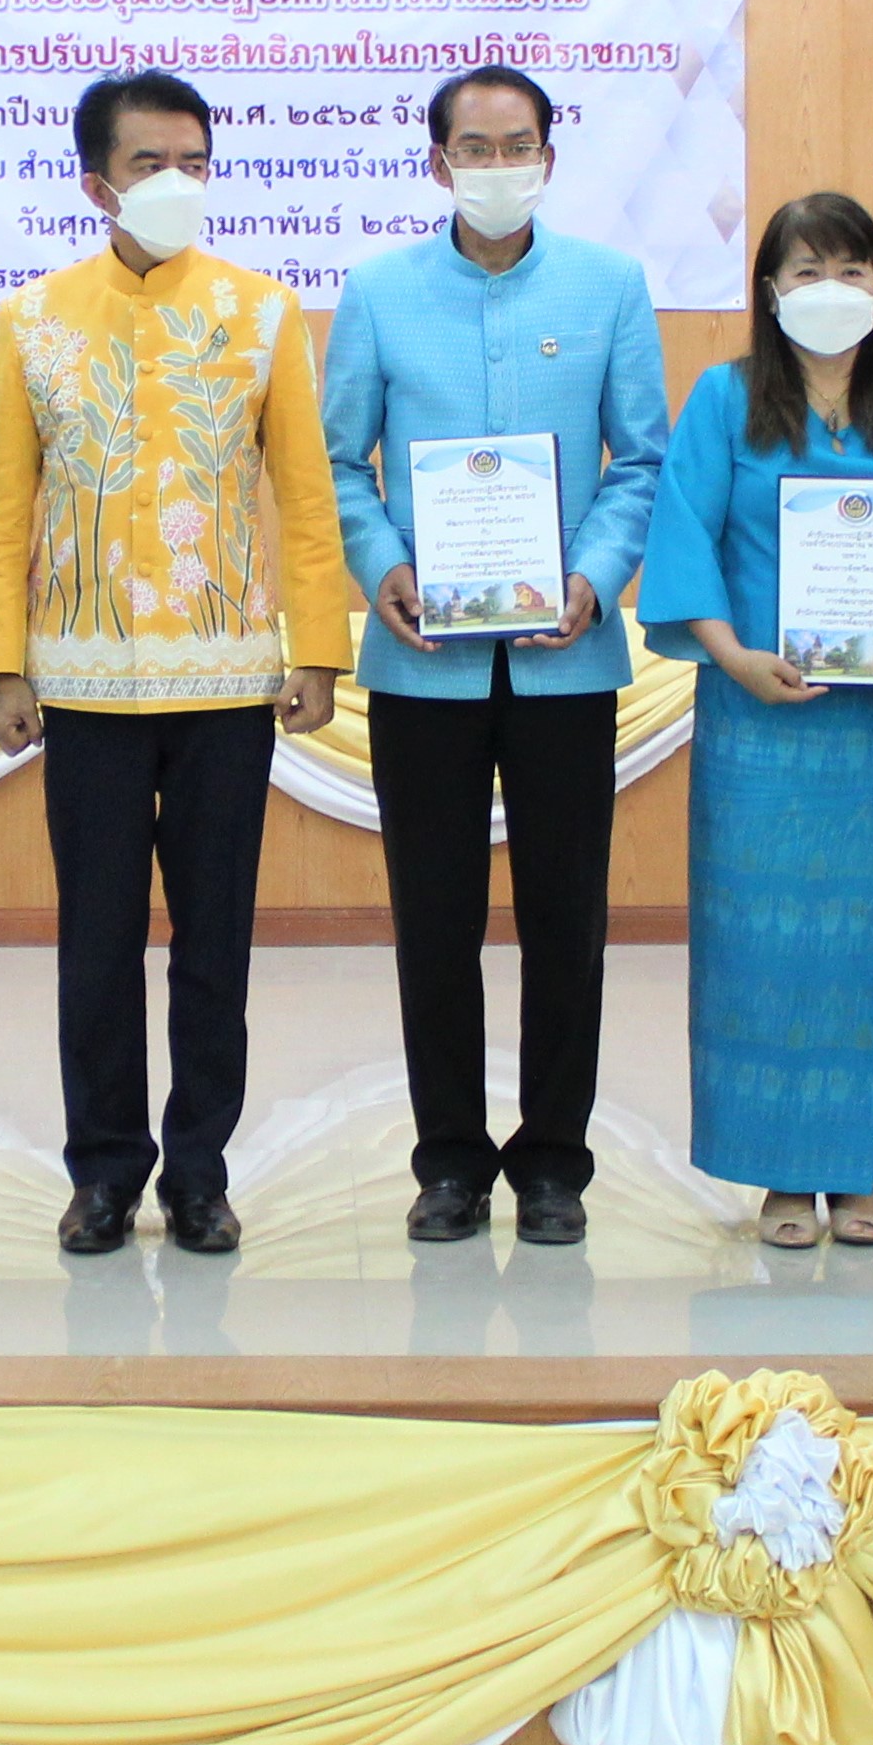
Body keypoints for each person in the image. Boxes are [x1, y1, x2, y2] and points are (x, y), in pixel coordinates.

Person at [0, 67, 354, 1257]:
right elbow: (2, 506)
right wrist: (2, 667)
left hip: (228, 681)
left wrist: (319, 651)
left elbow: (304, 496)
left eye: (194, 158)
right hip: (81, 684)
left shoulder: (263, 312)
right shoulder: (34, 318)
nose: (177, 181)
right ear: (98, 183)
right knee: (95, 945)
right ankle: (102, 1171)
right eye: (150, 163)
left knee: (214, 943)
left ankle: (198, 1171)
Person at [318, 64, 667, 1248]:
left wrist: (596, 574)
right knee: (436, 921)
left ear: (549, 159)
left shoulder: (611, 287)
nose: (499, 165)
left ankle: (556, 1161)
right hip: (424, 664)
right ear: (439, 163)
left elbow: (640, 460)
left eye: (519, 145)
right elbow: (336, 464)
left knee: (567, 920)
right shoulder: (376, 293)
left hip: (567, 660)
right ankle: (452, 1162)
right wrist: (383, 568)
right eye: (476, 147)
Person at [645, 191, 873, 1249]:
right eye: (805, 271)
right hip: (758, 721)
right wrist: (732, 654)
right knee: (759, 943)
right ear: (769, 291)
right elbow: (685, 530)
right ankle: (782, 1175)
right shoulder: (724, 399)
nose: (830, 290)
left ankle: (858, 1169)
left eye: (852, 269)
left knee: (870, 941)